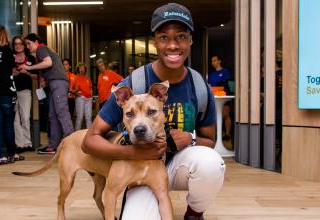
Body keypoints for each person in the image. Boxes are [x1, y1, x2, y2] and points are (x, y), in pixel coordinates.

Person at [83, 3, 225, 220]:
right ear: (154, 42)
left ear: (190, 40)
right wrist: (132, 153)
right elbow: (89, 141)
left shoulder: (198, 85)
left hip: (179, 164)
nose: (172, 45)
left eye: (180, 36)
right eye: (164, 37)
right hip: (139, 167)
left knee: (211, 164)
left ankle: (194, 213)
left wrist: (190, 139)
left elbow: (210, 141)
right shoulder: (134, 83)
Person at [18, 33, 74, 155]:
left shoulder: (41, 49)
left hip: (58, 83)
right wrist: (28, 73)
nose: (27, 46)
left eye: (29, 43)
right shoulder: (43, 50)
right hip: (55, 84)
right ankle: (53, 145)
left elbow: (48, 63)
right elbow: (44, 70)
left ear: (36, 42)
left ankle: (72, 143)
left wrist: (29, 68)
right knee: (53, 115)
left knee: (61, 111)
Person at [0, 25, 25, 165]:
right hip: (5, 93)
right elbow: (12, 70)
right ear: (3, 36)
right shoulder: (7, 51)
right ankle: (12, 153)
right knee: (8, 125)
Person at [12, 35, 37, 153]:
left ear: (24, 45)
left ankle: (27, 143)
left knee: (25, 117)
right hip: (11, 91)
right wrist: (12, 74)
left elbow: (37, 76)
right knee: (16, 119)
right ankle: (19, 144)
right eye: (15, 44)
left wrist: (26, 72)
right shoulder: (10, 58)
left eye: (20, 43)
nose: (18, 46)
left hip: (25, 91)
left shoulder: (31, 58)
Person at [208, 55, 232, 141]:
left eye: (214, 60)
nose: (213, 63)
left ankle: (228, 134)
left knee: (226, 115)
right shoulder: (212, 73)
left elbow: (225, 83)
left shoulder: (225, 71)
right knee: (216, 116)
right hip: (214, 96)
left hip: (224, 95)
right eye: (212, 61)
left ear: (219, 61)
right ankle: (218, 134)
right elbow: (210, 84)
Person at [74, 62, 93, 130]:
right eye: (80, 68)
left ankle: (89, 134)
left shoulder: (87, 78)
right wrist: (75, 93)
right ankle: (76, 134)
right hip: (80, 98)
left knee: (89, 117)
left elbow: (90, 88)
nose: (82, 69)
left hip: (89, 99)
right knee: (80, 117)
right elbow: (72, 89)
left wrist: (91, 94)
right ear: (78, 69)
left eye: (83, 68)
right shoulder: (75, 77)